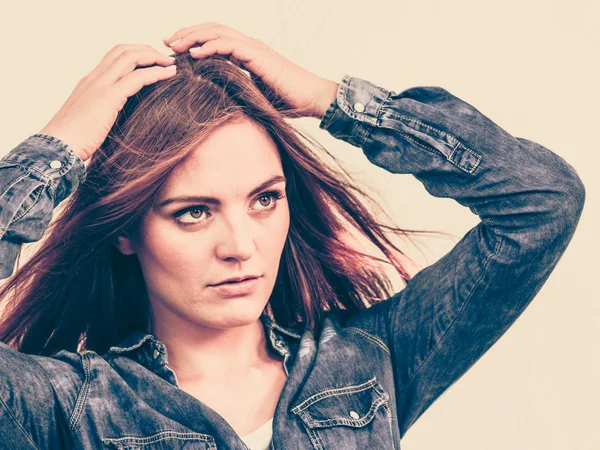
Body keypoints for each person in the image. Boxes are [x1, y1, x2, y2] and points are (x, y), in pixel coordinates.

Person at [0, 22, 585, 450]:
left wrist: (332, 100)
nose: (240, 245)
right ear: (127, 231)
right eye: (193, 212)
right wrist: (60, 147)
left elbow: (542, 202)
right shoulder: (65, 407)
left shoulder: (368, 363)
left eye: (264, 199)